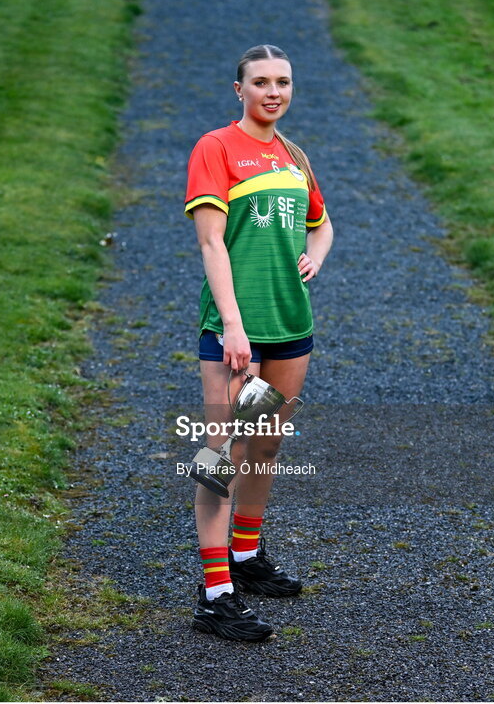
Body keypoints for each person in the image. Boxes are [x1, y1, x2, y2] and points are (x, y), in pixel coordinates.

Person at [183, 44, 334, 642]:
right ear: (238, 89)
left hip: (290, 329)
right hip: (236, 333)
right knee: (220, 456)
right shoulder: (216, 148)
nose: (274, 92)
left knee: (264, 443)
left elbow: (322, 223)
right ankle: (214, 594)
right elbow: (212, 245)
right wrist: (234, 326)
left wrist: (313, 259)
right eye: (261, 82)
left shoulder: (294, 156)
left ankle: (245, 559)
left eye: (284, 82)